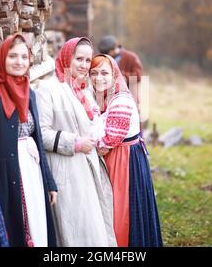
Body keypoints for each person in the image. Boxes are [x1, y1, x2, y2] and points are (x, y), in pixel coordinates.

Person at [35, 37, 117, 247]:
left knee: (94, 230)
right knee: (75, 229)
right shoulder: (49, 89)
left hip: (88, 169)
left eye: (88, 60)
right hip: (66, 170)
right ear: (66, 57)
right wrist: (75, 143)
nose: (84, 65)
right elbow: (41, 133)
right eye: (78, 59)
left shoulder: (85, 90)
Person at [0, 34, 57, 247]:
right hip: (4, 175)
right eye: (13, 56)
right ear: (2, 57)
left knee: (36, 225)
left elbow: (38, 140)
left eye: (24, 57)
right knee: (13, 230)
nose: (19, 62)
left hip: (32, 172)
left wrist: (48, 181)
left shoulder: (29, 93)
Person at [89, 54, 162, 247]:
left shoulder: (121, 101)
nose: (98, 78)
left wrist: (82, 143)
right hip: (122, 157)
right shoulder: (110, 97)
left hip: (124, 161)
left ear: (114, 74)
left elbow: (106, 143)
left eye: (104, 73)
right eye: (93, 73)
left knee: (121, 210)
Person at [97, 35, 143, 105]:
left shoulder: (131, 57)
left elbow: (138, 76)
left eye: (107, 52)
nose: (106, 55)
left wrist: (121, 76)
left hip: (128, 99)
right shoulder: (103, 58)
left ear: (115, 47)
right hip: (108, 100)